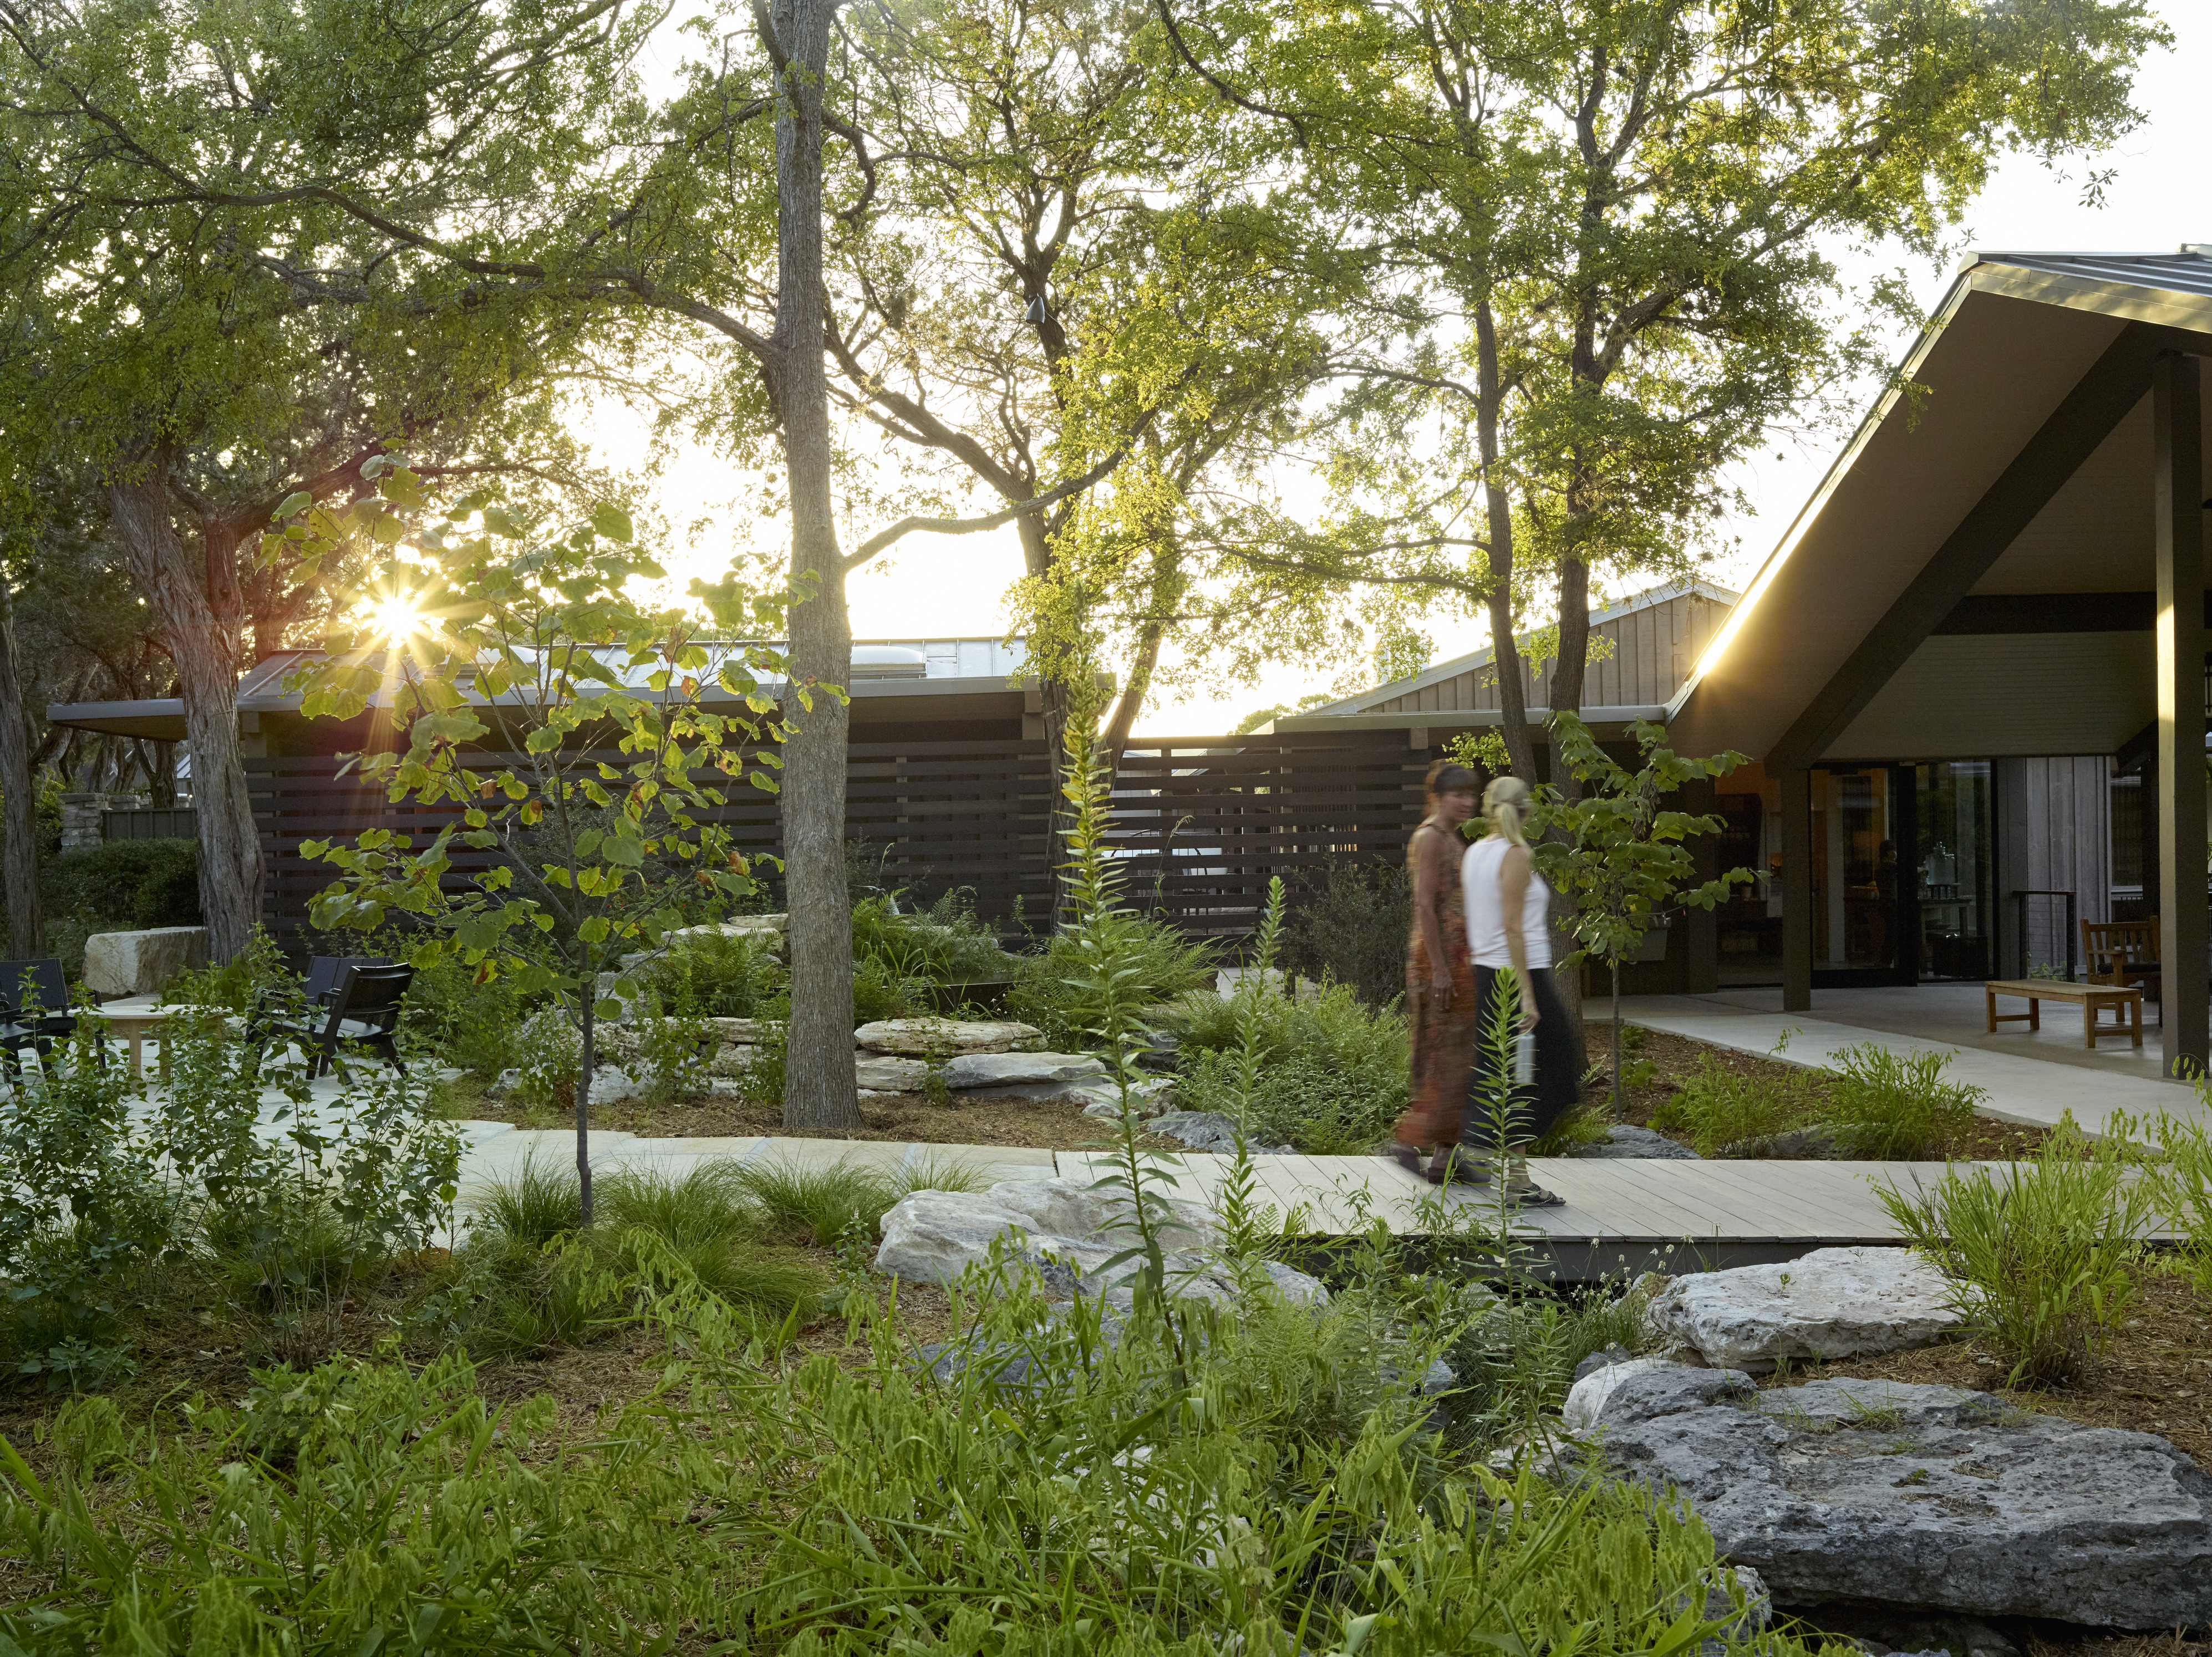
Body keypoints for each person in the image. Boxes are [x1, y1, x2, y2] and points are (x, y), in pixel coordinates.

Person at [1449, 774, 1574, 1203]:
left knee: (1514, 1073)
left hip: (1486, 971)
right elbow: (1512, 927)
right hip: (1518, 975)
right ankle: (1483, 1146)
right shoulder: (1516, 854)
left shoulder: (1474, 853)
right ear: (1525, 811)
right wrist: (1526, 992)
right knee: (1556, 1067)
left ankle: (1508, 1170)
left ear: (1487, 809)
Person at [1385, 759, 1482, 1182]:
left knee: (1461, 1054)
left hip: (1459, 959)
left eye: (1471, 793)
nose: (1468, 801)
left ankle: (1447, 1156)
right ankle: (1406, 1141)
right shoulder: (1429, 838)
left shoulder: (1454, 840)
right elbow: (1424, 903)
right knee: (1440, 1051)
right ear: (1437, 797)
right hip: (1435, 959)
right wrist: (1440, 969)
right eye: (1458, 794)